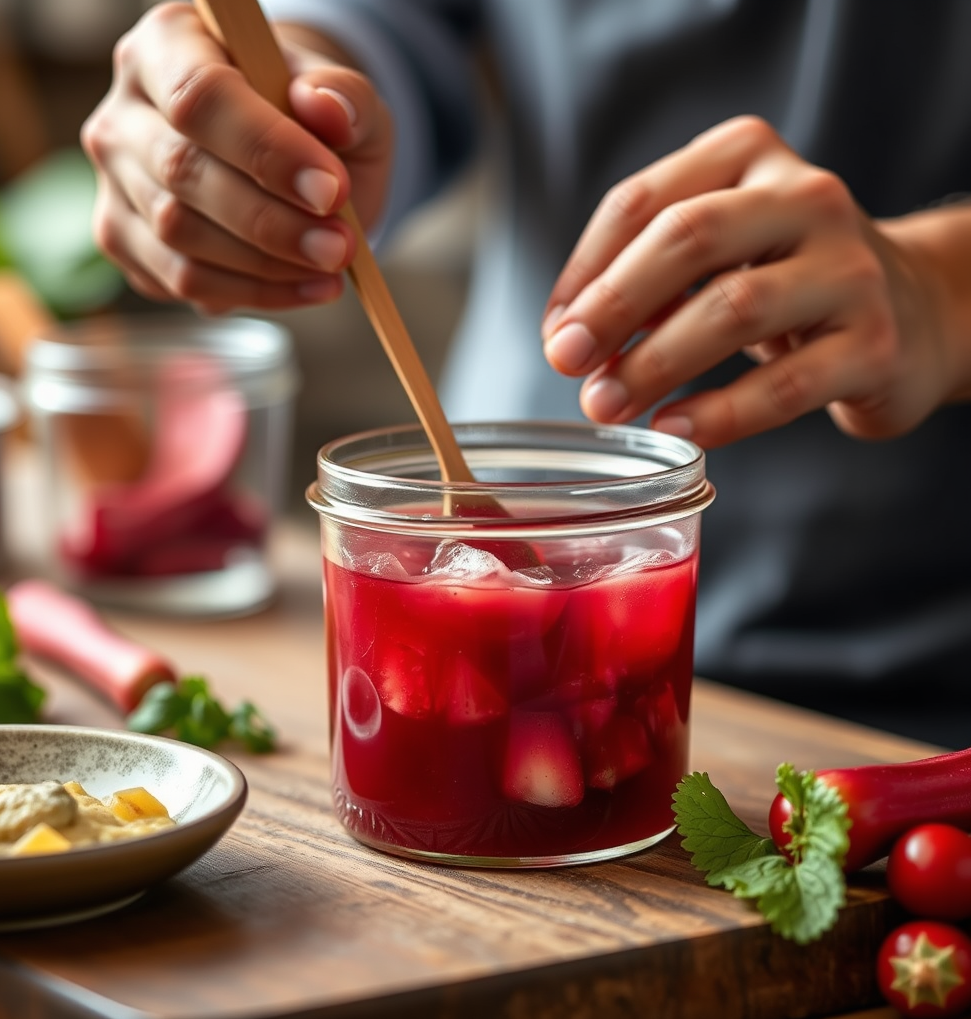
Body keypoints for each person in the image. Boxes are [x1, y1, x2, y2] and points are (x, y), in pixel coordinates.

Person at [81, 1, 971, 746]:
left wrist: (943, 287)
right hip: (504, 471)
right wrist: (301, 100)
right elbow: (391, 22)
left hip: (930, 680)